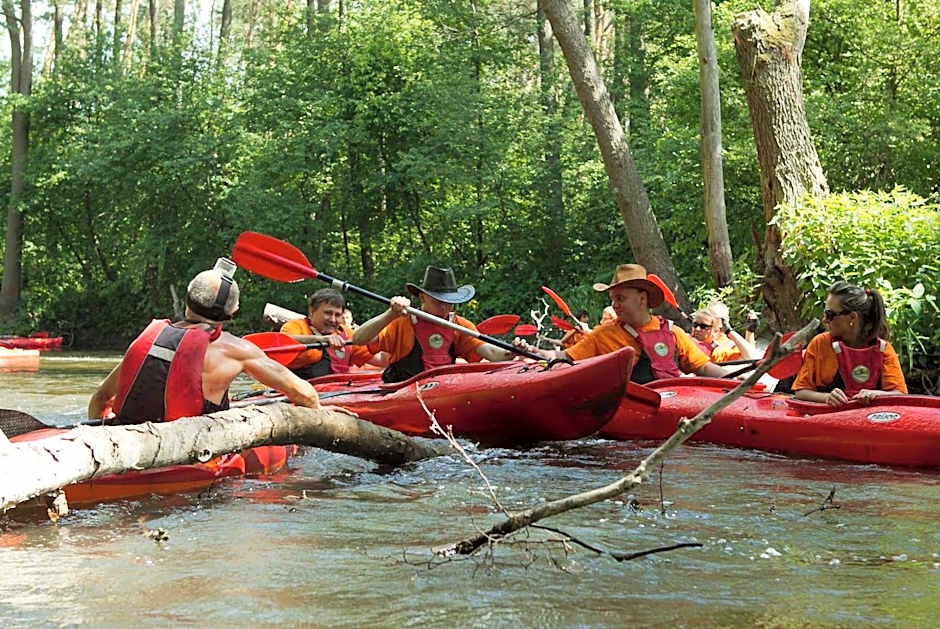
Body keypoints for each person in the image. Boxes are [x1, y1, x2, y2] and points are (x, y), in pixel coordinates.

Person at [88, 260, 321, 422]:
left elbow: (100, 399)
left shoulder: (148, 338)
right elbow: (306, 396)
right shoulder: (237, 350)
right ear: (233, 311)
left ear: (188, 300)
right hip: (195, 461)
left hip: (129, 445)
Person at [518, 264, 733, 384]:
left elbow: (704, 367)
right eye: (612, 299)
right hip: (629, 406)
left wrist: (742, 381)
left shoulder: (673, 332)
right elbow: (565, 357)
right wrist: (533, 351)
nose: (614, 305)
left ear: (642, 299)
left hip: (672, 400)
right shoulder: (604, 334)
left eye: (620, 298)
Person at [351, 266, 520, 382]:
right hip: (404, 389)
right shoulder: (402, 322)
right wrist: (390, 314)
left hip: (442, 390)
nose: (445, 306)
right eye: (439, 301)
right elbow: (359, 338)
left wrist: (511, 351)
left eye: (449, 301)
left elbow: (490, 352)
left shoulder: (459, 325)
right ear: (422, 297)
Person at [793, 281, 907, 406]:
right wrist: (827, 397)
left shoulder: (883, 349)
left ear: (852, 317)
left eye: (830, 314)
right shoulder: (820, 343)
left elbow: (900, 394)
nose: (824, 320)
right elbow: (801, 391)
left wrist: (875, 394)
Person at [280, 288, 378, 379]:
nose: (333, 319)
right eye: (328, 313)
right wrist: (322, 340)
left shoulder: (346, 333)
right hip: (302, 392)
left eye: (338, 315)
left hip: (338, 392)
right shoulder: (296, 326)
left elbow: (379, 360)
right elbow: (284, 341)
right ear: (312, 311)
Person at [690, 304, 760, 363]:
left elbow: (750, 358)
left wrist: (750, 332)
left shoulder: (723, 348)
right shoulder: (690, 336)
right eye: (695, 324)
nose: (698, 329)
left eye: (703, 326)